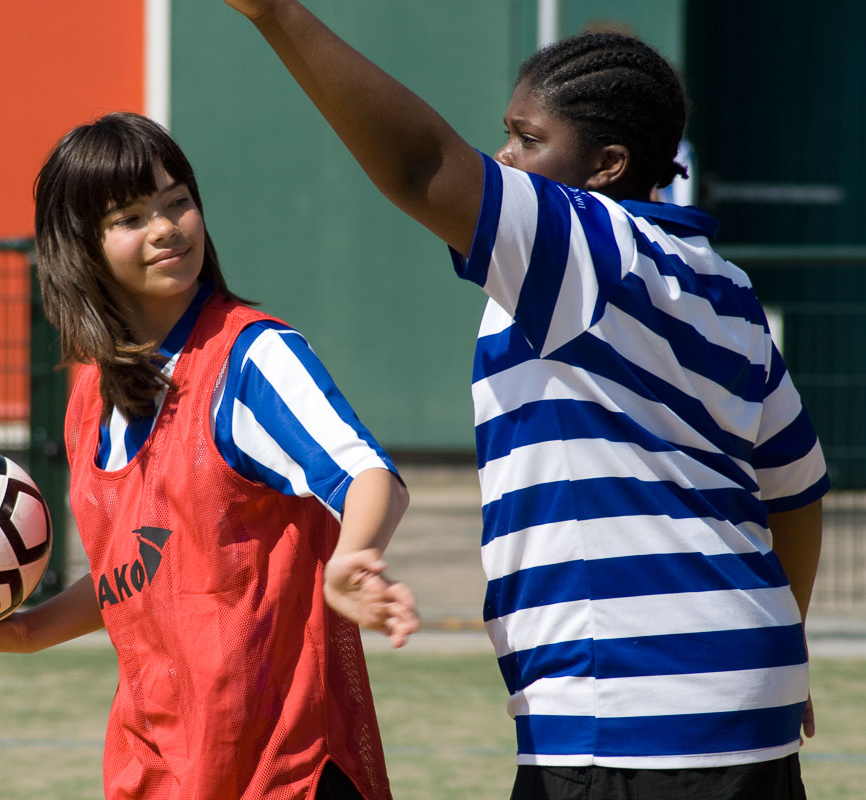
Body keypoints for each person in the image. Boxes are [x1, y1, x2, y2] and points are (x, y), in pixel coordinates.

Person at [218, 2, 828, 799]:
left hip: (629, 723)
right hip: (751, 704)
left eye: (529, 140)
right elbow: (797, 491)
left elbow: (416, 166)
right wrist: (778, 647)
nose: (503, 157)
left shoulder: (587, 248)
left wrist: (275, 15)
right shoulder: (725, 285)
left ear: (606, 166)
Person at [0, 110, 418, 800]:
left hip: (284, 771)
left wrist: (353, 555)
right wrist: (25, 634)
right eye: (131, 217)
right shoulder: (90, 391)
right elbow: (136, 576)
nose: (168, 227)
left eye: (178, 202)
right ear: (79, 247)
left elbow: (367, 475)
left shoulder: (252, 358)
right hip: (158, 771)